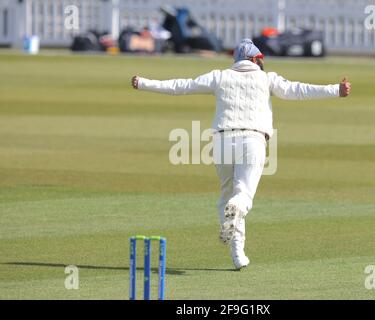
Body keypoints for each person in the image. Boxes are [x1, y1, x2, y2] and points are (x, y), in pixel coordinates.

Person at [131, 39, 351, 270]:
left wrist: (143, 82)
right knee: (241, 197)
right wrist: (336, 90)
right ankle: (236, 213)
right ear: (256, 59)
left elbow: (181, 86)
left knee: (227, 198)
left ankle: (238, 255)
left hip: (222, 141)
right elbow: (298, 90)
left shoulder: (220, 76)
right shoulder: (266, 79)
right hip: (252, 140)